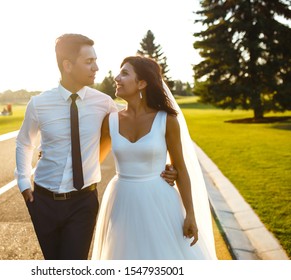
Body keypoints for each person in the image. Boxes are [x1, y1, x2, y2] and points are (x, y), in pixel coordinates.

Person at [15, 34, 178, 260]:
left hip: (83, 202)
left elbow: (140, 126)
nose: (97, 67)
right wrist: (23, 182)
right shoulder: (39, 104)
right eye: (89, 61)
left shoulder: (104, 104)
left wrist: (165, 164)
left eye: (96, 60)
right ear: (68, 65)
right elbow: (24, 142)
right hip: (43, 201)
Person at [92, 56, 218, 260]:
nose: (117, 78)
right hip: (121, 200)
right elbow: (92, 161)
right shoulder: (110, 121)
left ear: (142, 83)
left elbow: (182, 169)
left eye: (124, 73)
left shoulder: (167, 120)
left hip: (160, 201)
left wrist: (190, 214)